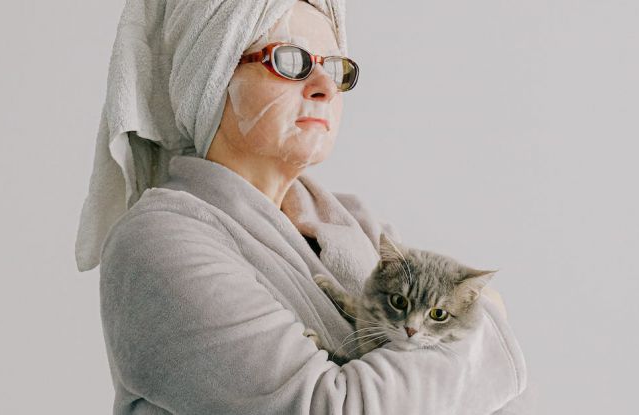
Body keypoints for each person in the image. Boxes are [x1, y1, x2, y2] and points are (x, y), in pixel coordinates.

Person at [75, 1, 530, 413]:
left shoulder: (357, 226)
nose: (324, 87)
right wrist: (486, 321)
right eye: (289, 61)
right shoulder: (160, 240)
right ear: (210, 74)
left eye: (336, 67)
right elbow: (323, 408)